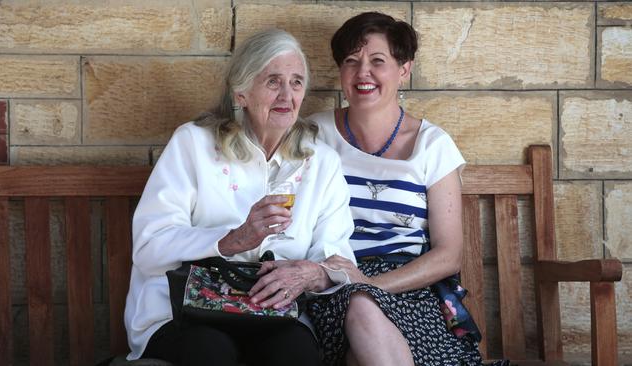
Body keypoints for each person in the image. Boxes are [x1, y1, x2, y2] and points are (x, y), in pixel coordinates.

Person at [124, 29, 356, 366]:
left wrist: (310, 274)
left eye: (296, 82)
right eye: (273, 81)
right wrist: (232, 240)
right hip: (185, 312)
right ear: (241, 93)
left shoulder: (321, 162)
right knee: (212, 353)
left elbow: (336, 254)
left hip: (274, 313)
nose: (287, 95)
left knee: (296, 354)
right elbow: (149, 246)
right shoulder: (194, 144)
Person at [307, 12, 488, 366]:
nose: (363, 74)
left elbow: (448, 255)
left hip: (408, 289)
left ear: (404, 69)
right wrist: (351, 282)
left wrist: (371, 285)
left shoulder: (432, 146)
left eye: (378, 61)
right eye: (351, 61)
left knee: (364, 324)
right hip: (332, 285)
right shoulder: (314, 135)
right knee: (358, 309)